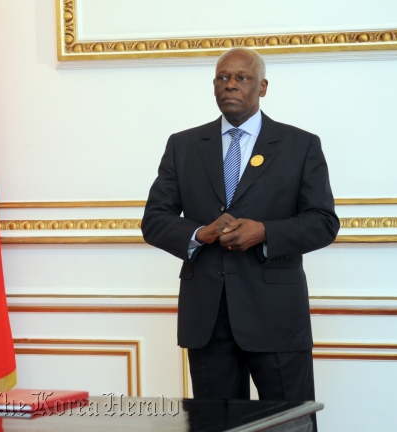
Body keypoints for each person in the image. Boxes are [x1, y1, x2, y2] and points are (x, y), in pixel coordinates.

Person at [141, 48, 339, 410]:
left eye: (241, 78)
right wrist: (201, 233)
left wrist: (264, 232)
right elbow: (154, 220)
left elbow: (323, 222)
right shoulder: (183, 145)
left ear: (262, 87)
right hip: (207, 322)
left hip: (277, 319)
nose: (230, 85)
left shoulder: (300, 145)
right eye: (222, 78)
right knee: (216, 423)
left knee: (289, 422)